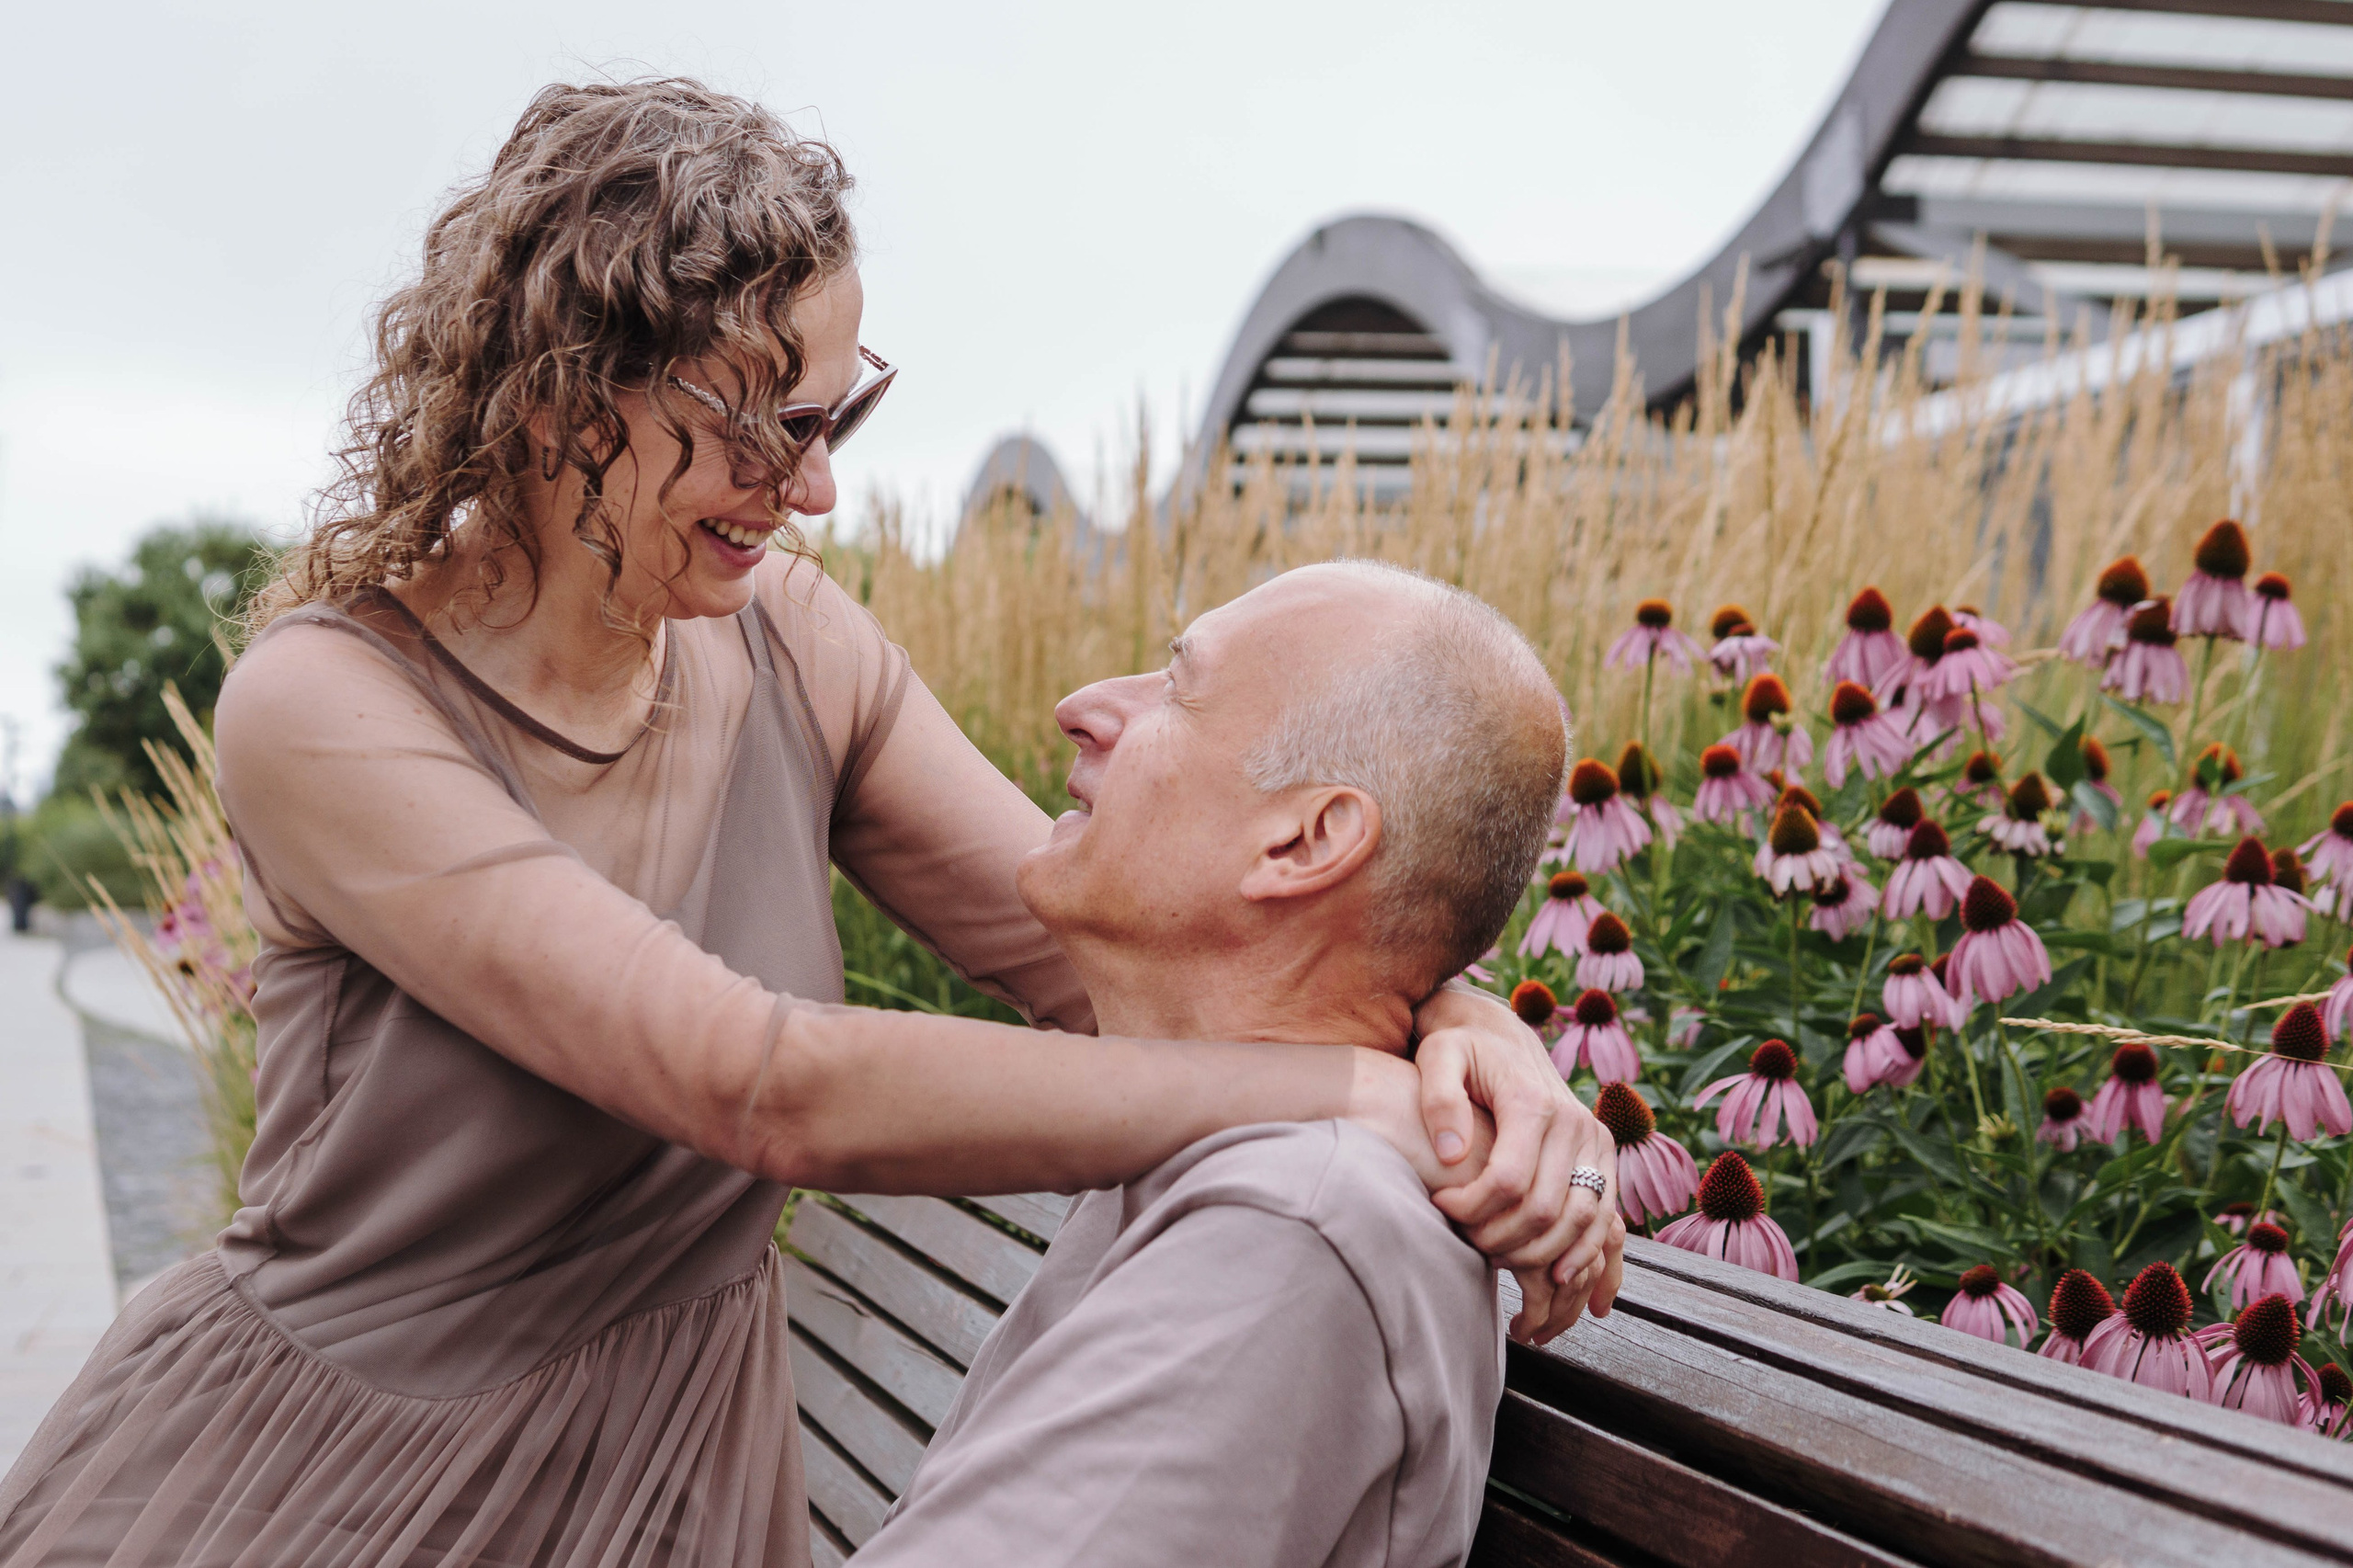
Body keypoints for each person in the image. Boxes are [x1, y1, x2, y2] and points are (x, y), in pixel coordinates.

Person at [0, 79, 1620, 1568]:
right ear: (568, 393)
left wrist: (1464, 1028)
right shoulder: (330, 703)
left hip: (672, 1486)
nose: (815, 485)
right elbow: (755, 1082)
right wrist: (1354, 1082)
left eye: (837, 416)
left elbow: (1133, 950)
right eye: (765, 421)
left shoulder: (794, 646)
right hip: (330, 1488)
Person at [858, 562, 1590, 1567]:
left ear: (1304, 841)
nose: (1081, 708)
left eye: (1176, 688)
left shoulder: (1290, 1231)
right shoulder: (1257, 1150)